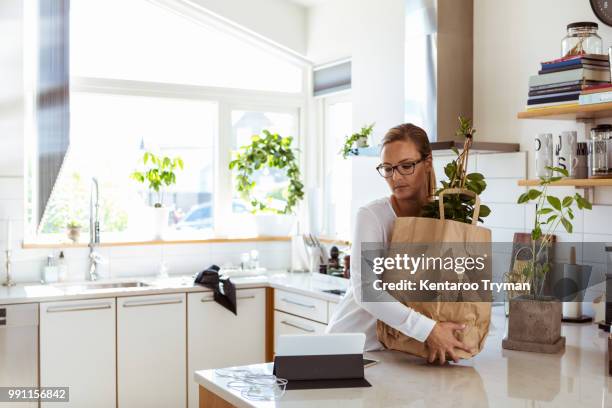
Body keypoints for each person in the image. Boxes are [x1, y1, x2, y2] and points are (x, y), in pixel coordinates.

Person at [326, 123, 471, 365]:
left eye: (406, 166)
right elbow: (366, 291)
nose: (396, 177)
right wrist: (430, 330)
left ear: (427, 163)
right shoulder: (372, 216)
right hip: (355, 349)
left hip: (404, 352)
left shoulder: (444, 218)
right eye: (388, 168)